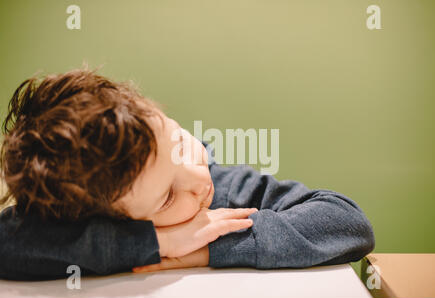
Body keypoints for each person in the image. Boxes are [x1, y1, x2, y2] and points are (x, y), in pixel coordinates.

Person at [0, 69, 375, 280]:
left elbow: (349, 223)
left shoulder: (226, 189)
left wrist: (207, 246)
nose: (198, 179)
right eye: (166, 197)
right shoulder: (76, 224)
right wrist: (157, 243)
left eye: (180, 143)